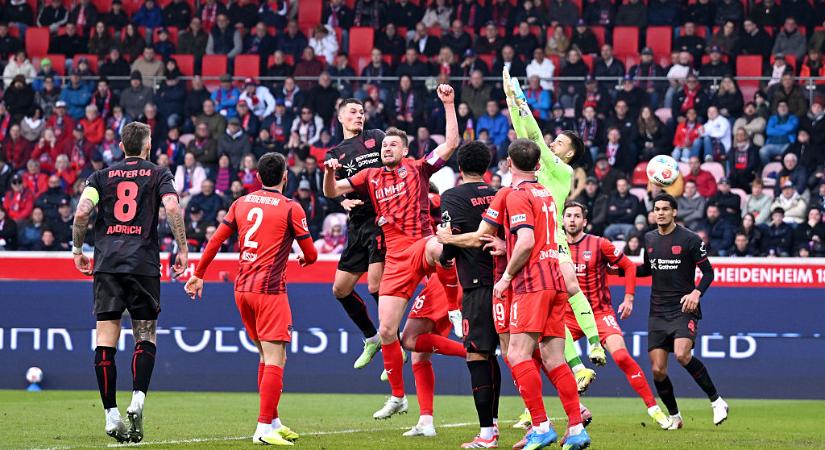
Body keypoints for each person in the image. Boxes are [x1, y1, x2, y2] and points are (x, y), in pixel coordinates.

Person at [323, 85, 459, 420]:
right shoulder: (367, 175)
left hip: (415, 244)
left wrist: (449, 104)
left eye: (392, 144)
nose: (386, 147)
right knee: (387, 331)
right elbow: (333, 189)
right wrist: (328, 175)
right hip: (394, 255)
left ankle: (457, 308)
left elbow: (452, 144)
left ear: (405, 149)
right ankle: (398, 396)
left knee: (439, 246)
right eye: (384, 145)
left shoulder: (417, 168)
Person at [185, 152, 316, 446]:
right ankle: (262, 429)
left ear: (257, 177)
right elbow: (312, 254)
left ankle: (274, 421)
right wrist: (304, 258)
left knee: (266, 356)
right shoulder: (291, 208)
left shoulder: (240, 203)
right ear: (285, 177)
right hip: (269, 290)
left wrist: (199, 273)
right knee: (275, 359)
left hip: (242, 289)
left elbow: (216, 239)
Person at [71, 122, 188, 443]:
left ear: (122, 146)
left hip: (107, 264)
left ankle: (111, 414)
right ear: (147, 145)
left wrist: (78, 249)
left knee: (105, 339)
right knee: (145, 334)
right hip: (143, 264)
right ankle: (137, 399)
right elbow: (173, 207)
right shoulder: (159, 174)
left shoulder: (100, 176)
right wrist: (183, 249)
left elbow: (82, 213)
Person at [563, 201, 672, 429]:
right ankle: (540, 414)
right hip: (569, 317)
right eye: (568, 216)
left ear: (585, 221)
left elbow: (629, 267)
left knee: (621, 357)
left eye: (576, 216)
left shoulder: (599, 244)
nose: (572, 220)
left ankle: (654, 409)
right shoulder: (556, 246)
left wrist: (629, 297)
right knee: (546, 358)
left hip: (600, 313)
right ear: (562, 220)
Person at [635, 193, 727, 429]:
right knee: (657, 370)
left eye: (666, 209)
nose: (661, 213)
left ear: (674, 212)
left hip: (683, 308)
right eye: (657, 209)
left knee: (682, 354)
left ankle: (717, 401)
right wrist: (620, 271)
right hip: (657, 310)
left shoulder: (690, 239)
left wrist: (696, 293)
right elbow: (647, 269)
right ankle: (675, 416)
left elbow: (709, 273)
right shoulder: (649, 238)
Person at [437, 141, 502, 447]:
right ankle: (500, 422)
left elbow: (449, 238)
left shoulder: (452, 195)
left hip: (478, 284)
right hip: (507, 280)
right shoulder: (500, 193)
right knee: (511, 353)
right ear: (487, 168)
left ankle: (487, 433)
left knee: (477, 353)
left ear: (459, 168)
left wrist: (444, 252)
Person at [320, 99, 386, 368]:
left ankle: (392, 342)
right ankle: (372, 338)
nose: (359, 116)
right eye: (353, 112)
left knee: (374, 285)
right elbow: (330, 188)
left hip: (380, 220)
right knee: (340, 288)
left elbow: (397, 166)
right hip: (357, 225)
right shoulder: (335, 153)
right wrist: (341, 201)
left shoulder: (377, 138)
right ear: (340, 118)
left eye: (361, 112)